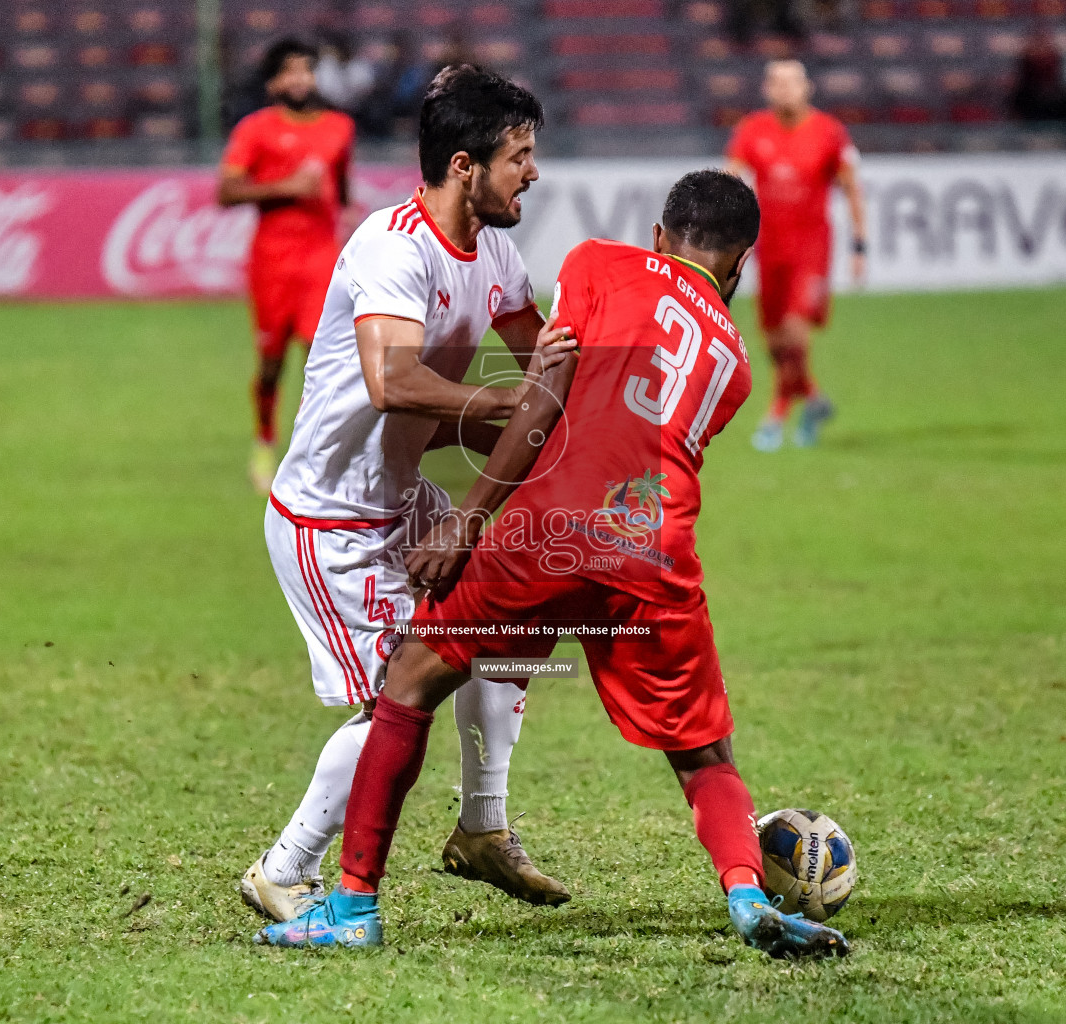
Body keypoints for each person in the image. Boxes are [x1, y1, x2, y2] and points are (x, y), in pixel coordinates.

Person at [259, 170, 850, 960]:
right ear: (739, 266)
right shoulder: (736, 362)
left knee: (409, 684)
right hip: (653, 553)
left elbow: (545, 400)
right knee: (704, 752)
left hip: (546, 535)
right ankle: (746, 895)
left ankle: (352, 906)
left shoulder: (601, 263)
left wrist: (468, 523)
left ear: (659, 238)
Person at [237, 64, 576, 924]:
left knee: (502, 621)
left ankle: (483, 829)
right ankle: (282, 870)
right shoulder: (392, 246)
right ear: (465, 166)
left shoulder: (493, 247)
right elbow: (391, 379)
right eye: (519, 157)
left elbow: (546, 362)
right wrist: (508, 404)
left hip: (403, 497)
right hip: (332, 521)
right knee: (405, 690)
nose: (532, 173)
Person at [218, 39, 356, 494]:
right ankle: (263, 443)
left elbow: (342, 192)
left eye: (306, 70)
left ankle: (317, 455)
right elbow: (227, 192)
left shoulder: (339, 128)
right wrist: (287, 186)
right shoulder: (255, 130)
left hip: (321, 258)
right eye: (289, 72)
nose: (299, 79)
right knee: (273, 362)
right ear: (274, 81)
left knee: (321, 356)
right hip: (273, 262)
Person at [726, 60, 864, 451]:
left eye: (791, 82)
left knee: (794, 334)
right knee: (773, 343)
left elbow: (852, 187)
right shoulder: (753, 129)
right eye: (776, 83)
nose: (784, 90)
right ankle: (815, 400)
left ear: (807, 87)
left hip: (811, 250)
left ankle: (776, 415)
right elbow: (730, 178)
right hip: (769, 251)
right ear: (767, 90)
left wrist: (860, 245)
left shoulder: (829, 132)